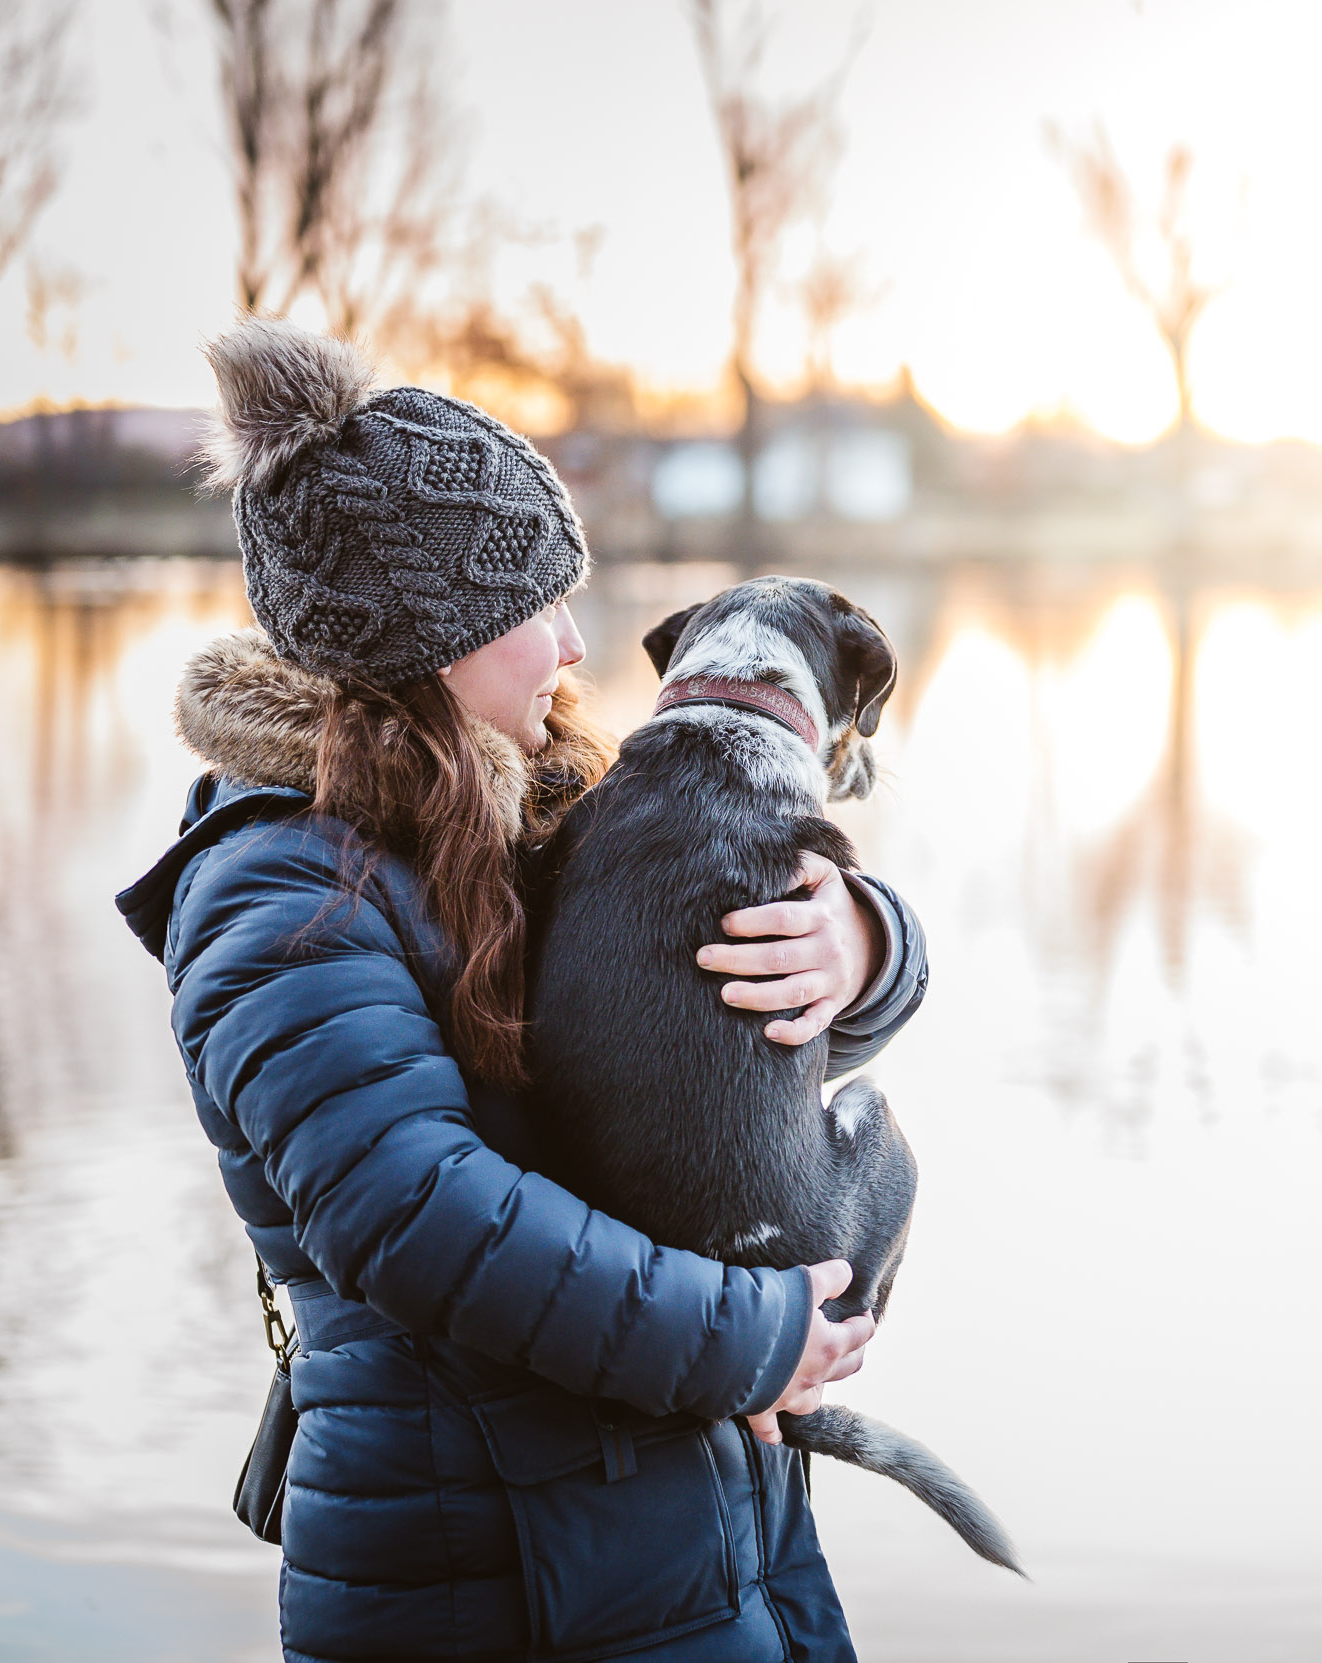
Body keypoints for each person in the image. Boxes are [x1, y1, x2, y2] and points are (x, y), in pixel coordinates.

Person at [116, 318, 926, 1663]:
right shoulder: (277, 893)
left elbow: (728, 1018)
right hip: (489, 1582)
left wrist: (859, 941)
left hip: (668, 1537)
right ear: (420, 640)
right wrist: (755, 1338)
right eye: (528, 606)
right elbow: (419, 1212)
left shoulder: (533, 810)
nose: (569, 642)